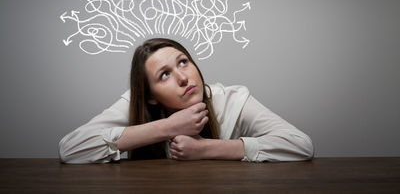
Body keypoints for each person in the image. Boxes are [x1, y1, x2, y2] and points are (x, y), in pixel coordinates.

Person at [59, 38, 314, 163]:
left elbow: (300, 145)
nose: (183, 77)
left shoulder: (232, 99)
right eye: (165, 74)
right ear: (150, 96)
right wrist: (168, 127)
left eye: (183, 62)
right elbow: (70, 149)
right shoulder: (134, 103)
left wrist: (206, 149)